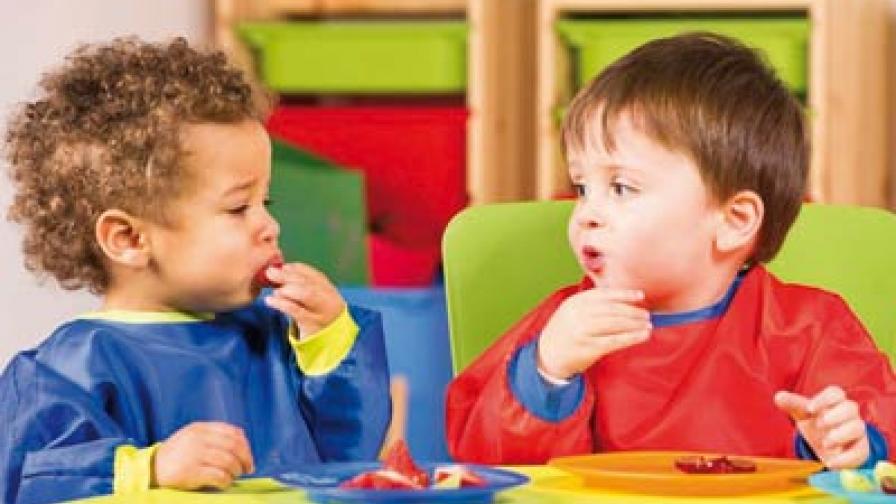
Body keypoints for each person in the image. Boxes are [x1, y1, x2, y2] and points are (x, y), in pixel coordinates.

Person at [446, 32, 896, 469]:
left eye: (621, 188)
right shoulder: (566, 324)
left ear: (734, 221)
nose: (586, 214)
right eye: (583, 186)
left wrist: (852, 448)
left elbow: (879, 436)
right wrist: (547, 374)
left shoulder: (810, 328)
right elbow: (482, 461)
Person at [0, 37, 390, 503]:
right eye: (238, 207)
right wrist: (150, 468)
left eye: (265, 202)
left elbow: (347, 454)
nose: (270, 225)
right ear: (129, 239)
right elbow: (32, 482)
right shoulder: (66, 370)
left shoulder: (274, 337)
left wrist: (330, 343)